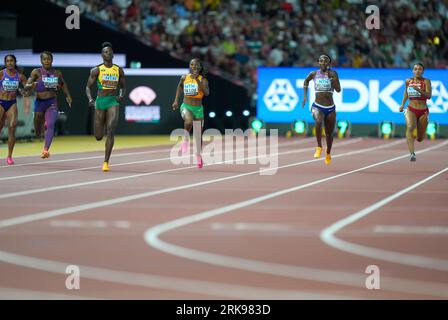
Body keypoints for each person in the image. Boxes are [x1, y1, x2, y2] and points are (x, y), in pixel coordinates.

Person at [86, 42, 126, 172]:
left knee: (111, 130)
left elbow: (123, 87)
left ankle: (106, 162)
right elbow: (88, 87)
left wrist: (121, 95)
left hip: (112, 102)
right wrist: (91, 99)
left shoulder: (118, 70)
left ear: (113, 54)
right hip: (100, 102)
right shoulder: (96, 70)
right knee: (98, 136)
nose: (108, 54)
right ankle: (101, 125)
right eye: (105, 52)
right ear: (102, 55)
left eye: (109, 51)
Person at [25, 51, 72, 159]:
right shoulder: (36, 72)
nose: (46, 61)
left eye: (48, 59)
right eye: (44, 59)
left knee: (51, 124)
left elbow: (63, 84)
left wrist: (68, 95)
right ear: (41, 61)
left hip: (52, 102)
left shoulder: (57, 73)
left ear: (52, 60)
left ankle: (46, 150)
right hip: (39, 103)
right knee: (37, 131)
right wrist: (32, 84)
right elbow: (27, 85)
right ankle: (42, 126)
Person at [302, 54, 341, 165]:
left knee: (329, 134)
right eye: (321, 61)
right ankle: (319, 146)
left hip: (330, 108)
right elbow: (306, 81)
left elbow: (338, 90)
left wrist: (333, 81)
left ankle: (328, 153)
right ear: (318, 63)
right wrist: (305, 96)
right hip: (317, 106)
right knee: (318, 122)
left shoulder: (333, 73)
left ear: (329, 63)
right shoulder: (314, 74)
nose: (323, 63)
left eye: (325, 61)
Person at [172, 58, 209, 168]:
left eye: (196, 65)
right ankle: (186, 139)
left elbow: (206, 93)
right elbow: (179, 86)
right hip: (186, 106)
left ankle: (198, 156)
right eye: (192, 64)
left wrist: (197, 80)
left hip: (198, 109)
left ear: (200, 67)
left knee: (198, 136)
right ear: (190, 66)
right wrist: (175, 101)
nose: (194, 66)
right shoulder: (184, 77)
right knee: (188, 122)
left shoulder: (203, 80)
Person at [399, 63, 432, 161]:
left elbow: (429, 95)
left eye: (420, 69)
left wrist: (419, 90)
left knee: (420, 138)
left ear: (423, 71)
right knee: (410, 127)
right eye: (415, 69)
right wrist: (402, 104)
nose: (417, 71)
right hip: (411, 108)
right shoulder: (408, 81)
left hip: (423, 111)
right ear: (413, 71)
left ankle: (419, 133)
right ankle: (412, 154)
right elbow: (406, 92)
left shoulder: (426, 81)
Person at [0, 54, 29, 165]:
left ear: (14, 62)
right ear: (5, 63)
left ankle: (9, 156)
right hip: (1, 102)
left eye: (11, 61)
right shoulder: (2, 74)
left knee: (12, 127)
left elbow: (26, 90)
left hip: (12, 103)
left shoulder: (20, 76)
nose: (10, 63)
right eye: (7, 61)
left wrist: (26, 101)